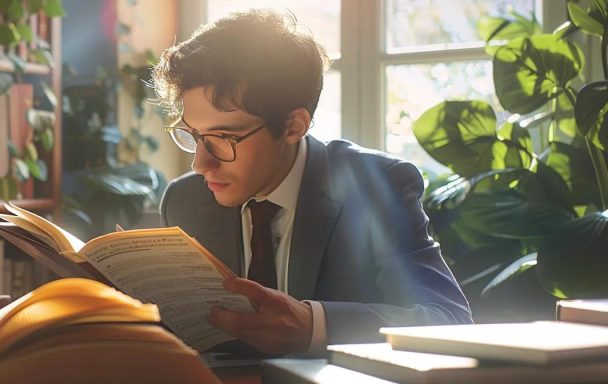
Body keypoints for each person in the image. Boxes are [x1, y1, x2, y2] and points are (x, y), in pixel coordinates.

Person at [152, 8, 472, 356]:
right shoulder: (184, 201)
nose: (201, 164)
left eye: (224, 137)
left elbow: (448, 320)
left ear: (294, 126)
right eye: (192, 135)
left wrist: (315, 326)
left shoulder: (377, 187)